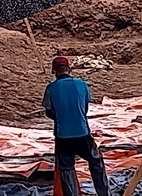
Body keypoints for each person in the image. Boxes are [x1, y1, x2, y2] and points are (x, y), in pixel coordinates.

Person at [42, 56, 109, 196]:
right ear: (69, 68)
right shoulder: (82, 85)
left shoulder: (51, 88)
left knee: (67, 169)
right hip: (82, 132)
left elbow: (49, 112)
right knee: (96, 161)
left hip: (63, 135)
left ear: (54, 70)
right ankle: (104, 193)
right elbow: (84, 108)